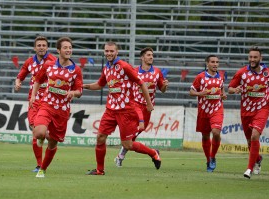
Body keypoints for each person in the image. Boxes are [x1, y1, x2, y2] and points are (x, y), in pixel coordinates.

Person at [83, 41, 161, 175]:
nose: (109, 53)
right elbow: (100, 85)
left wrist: (149, 103)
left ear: (117, 52)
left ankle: (153, 153)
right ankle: (100, 170)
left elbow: (141, 83)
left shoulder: (124, 66)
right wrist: (84, 86)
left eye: (111, 51)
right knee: (100, 137)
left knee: (127, 145)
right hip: (110, 109)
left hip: (125, 110)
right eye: (106, 51)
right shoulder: (107, 68)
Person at [30, 37, 83, 178]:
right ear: (58, 50)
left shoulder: (76, 70)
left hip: (62, 111)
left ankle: (43, 169)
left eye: (70, 47)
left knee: (53, 143)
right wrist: (33, 96)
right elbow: (38, 80)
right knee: (39, 132)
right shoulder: (48, 65)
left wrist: (73, 92)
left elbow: (80, 90)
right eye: (65, 48)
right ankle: (42, 137)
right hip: (46, 104)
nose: (68, 50)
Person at [228, 47, 269, 179]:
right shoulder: (241, 73)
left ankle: (249, 169)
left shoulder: (268, 73)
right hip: (246, 110)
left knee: (255, 135)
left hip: (263, 108)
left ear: (260, 59)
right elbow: (229, 89)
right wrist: (236, 90)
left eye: (255, 57)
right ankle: (258, 159)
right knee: (250, 141)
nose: (252, 59)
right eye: (250, 57)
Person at [114, 47, 168, 167]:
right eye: (148, 55)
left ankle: (121, 156)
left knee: (134, 134)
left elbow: (162, 90)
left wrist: (165, 86)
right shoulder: (134, 71)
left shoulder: (157, 72)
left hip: (148, 108)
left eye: (152, 55)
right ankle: (150, 153)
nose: (151, 57)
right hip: (135, 105)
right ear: (142, 57)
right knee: (132, 134)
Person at [14, 36, 57, 172]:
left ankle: (41, 165)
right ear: (35, 48)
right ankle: (39, 164)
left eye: (44, 45)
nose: (41, 47)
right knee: (35, 130)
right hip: (34, 100)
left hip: (49, 100)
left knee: (42, 133)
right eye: (39, 45)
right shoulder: (29, 62)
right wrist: (18, 83)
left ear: (47, 47)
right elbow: (20, 75)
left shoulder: (53, 61)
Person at [189, 55, 227, 172]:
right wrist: (200, 93)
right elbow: (191, 92)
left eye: (217, 62)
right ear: (207, 64)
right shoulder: (200, 77)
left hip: (217, 109)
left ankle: (213, 157)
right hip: (204, 110)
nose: (215, 64)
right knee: (205, 136)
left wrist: (223, 94)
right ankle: (208, 160)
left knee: (216, 132)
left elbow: (222, 89)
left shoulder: (221, 76)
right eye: (212, 62)